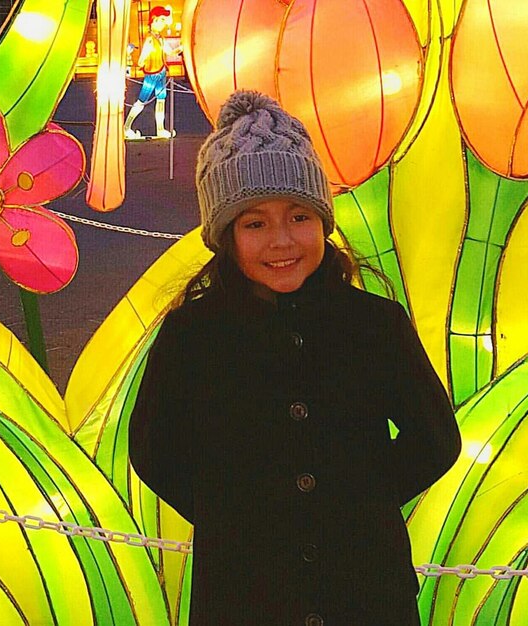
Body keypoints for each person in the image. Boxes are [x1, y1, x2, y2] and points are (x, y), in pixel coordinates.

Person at [129, 90, 461, 626]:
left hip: (367, 589)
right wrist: (233, 514)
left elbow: (435, 437)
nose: (281, 241)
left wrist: (359, 504)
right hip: (244, 593)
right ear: (225, 235)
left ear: (324, 224)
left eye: (299, 216)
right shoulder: (193, 334)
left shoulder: (375, 325)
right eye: (254, 223)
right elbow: (154, 447)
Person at [124, 5, 176, 139]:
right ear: (154, 20)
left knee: (161, 100)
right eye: (162, 20)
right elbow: (141, 61)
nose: (164, 23)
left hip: (162, 73)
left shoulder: (161, 39)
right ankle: (126, 127)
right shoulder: (150, 40)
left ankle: (160, 129)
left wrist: (181, 47)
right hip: (152, 74)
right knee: (142, 100)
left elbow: (170, 52)